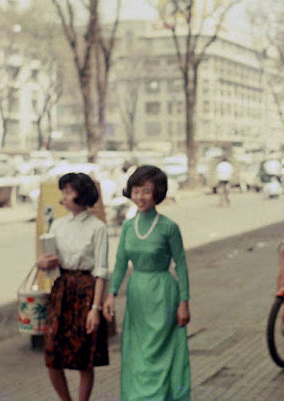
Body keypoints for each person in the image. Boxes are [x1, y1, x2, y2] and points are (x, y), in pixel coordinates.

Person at [103, 165, 191, 401]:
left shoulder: (169, 228)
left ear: (158, 193)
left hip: (163, 294)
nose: (140, 197)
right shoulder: (128, 227)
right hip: (137, 296)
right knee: (138, 351)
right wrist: (111, 294)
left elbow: (181, 265)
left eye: (146, 191)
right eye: (136, 190)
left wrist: (184, 302)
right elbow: (121, 263)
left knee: (159, 351)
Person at [37, 173, 109, 401]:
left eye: (69, 192)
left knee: (83, 358)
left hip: (86, 292)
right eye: (63, 192)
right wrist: (42, 263)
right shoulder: (57, 225)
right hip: (61, 291)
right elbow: (48, 262)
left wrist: (95, 308)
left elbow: (102, 270)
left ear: (82, 195)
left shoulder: (97, 228)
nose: (64, 197)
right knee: (52, 355)